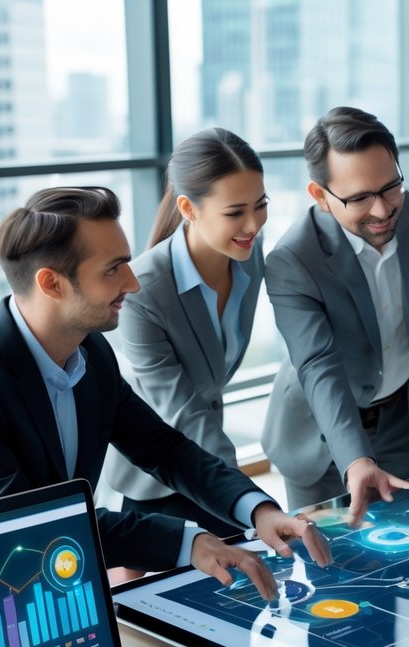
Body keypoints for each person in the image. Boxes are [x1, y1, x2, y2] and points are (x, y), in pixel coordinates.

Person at [0, 186, 327, 599]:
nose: (133, 283)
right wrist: (187, 541)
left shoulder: (90, 350)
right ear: (51, 283)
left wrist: (258, 509)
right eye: (113, 270)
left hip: (57, 581)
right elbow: (32, 522)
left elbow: (163, 448)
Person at [261, 107, 409, 518]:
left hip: (400, 419)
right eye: (360, 198)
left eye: (390, 188)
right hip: (318, 438)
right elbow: (317, 364)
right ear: (321, 197)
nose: (383, 211)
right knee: (332, 573)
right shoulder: (292, 260)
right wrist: (356, 459)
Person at [105, 128, 268, 537]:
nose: (253, 224)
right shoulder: (141, 290)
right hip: (156, 473)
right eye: (235, 213)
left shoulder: (247, 255)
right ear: (188, 209)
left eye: (260, 205)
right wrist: (247, 496)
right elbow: (183, 410)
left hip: (210, 460)